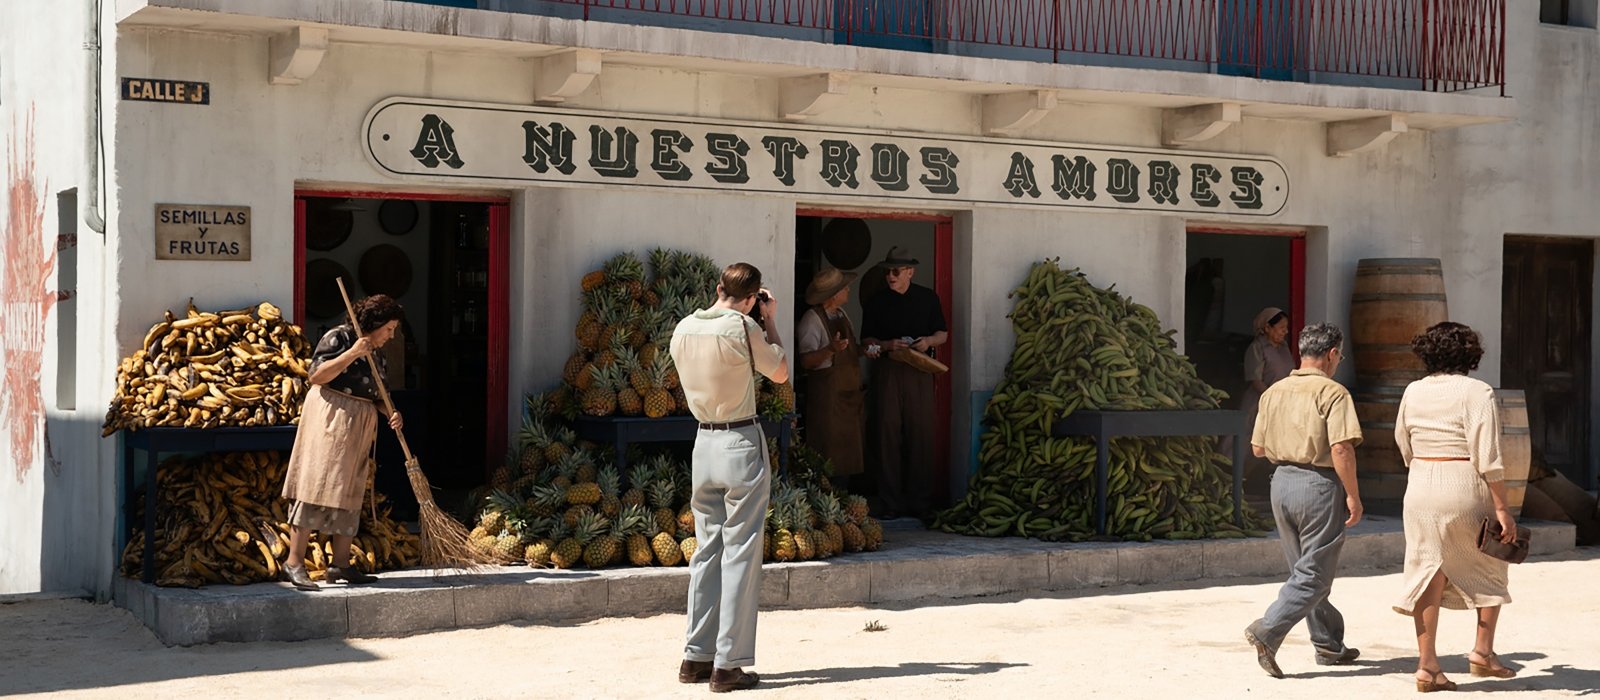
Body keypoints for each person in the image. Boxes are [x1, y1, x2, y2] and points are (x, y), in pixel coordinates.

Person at [669, 262, 789, 693]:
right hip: (740, 439)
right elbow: (779, 371)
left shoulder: (683, 327)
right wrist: (770, 321)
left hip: (703, 442)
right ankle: (728, 664)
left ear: (718, 288)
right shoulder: (743, 326)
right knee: (740, 554)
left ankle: (694, 656)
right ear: (753, 297)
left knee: (707, 552)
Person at [1392, 322, 1518, 692]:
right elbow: (1488, 455)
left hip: (1420, 484)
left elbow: (1403, 441)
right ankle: (1482, 652)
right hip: (1462, 481)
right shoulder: (1477, 391)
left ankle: (1427, 666)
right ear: (1470, 355)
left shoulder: (1413, 391)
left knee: (1428, 569)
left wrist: (1424, 467)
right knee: (1492, 559)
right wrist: (1503, 509)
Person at [1243, 322, 1364, 678]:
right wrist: (1353, 497)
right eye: (1339, 355)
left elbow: (1258, 448)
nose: (1339, 361)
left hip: (1280, 483)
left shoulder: (1274, 392)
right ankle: (1267, 629)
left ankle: (1328, 645)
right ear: (1331, 354)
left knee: (1304, 572)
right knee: (1314, 575)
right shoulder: (1334, 393)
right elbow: (1341, 448)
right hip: (1318, 485)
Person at [280, 294, 406, 591]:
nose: (391, 335)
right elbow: (317, 375)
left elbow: (379, 395)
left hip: (358, 426)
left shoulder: (377, 353)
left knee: (350, 488)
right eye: (388, 328)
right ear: (374, 324)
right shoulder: (340, 338)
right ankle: (294, 562)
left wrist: (393, 413)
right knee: (316, 484)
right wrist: (351, 353)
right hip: (330, 419)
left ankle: (340, 565)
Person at [860, 247, 947, 521]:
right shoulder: (875, 301)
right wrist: (886, 345)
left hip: (919, 370)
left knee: (921, 434)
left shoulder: (928, 298)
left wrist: (927, 343)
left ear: (910, 271)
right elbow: (867, 342)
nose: (890, 276)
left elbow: (942, 334)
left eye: (896, 271)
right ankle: (890, 502)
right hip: (887, 369)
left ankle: (920, 501)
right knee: (886, 434)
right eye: (887, 271)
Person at [797, 267, 866, 490]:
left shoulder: (842, 315)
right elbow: (806, 361)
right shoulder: (812, 320)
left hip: (848, 397)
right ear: (833, 294)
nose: (848, 290)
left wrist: (866, 349)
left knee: (848, 454)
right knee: (827, 452)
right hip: (827, 398)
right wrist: (830, 349)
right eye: (844, 288)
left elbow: (851, 348)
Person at [1240, 307, 1296, 490]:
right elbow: (1255, 379)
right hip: (1261, 403)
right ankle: (1240, 483)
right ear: (1267, 327)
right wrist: (1273, 400)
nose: (1285, 331)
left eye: (1286, 327)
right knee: (1252, 444)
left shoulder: (1284, 348)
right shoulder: (1256, 348)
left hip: (1283, 405)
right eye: (1281, 327)